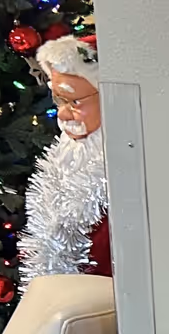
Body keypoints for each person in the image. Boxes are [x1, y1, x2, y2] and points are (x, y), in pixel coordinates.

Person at [17, 33, 110, 286]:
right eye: (59, 100)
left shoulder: (122, 171)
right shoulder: (61, 158)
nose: (63, 112)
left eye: (74, 101)